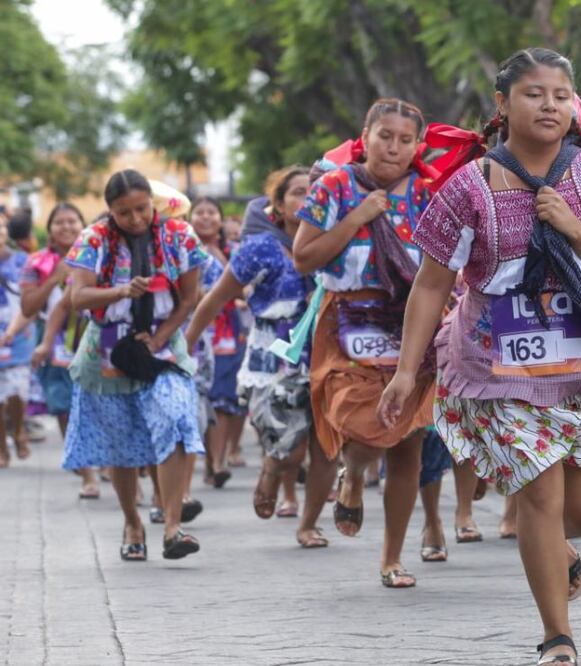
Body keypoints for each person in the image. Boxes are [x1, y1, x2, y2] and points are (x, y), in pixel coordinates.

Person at [378, 48, 581, 664]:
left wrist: (573, 229)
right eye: (534, 94)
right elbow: (431, 285)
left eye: (561, 95)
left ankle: (561, 546)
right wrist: (406, 370)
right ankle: (557, 638)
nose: (550, 106)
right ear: (503, 105)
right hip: (500, 364)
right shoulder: (468, 186)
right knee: (538, 496)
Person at [293, 98, 437, 587]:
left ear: (418, 145)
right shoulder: (333, 186)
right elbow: (305, 258)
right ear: (366, 135)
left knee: (409, 439)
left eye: (404, 139)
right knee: (362, 420)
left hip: (410, 323)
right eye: (385, 136)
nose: (393, 147)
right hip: (346, 322)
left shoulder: (428, 192)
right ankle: (352, 473)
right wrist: (356, 218)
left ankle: (392, 558)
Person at [62, 169, 206, 561]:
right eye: (124, 213)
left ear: (152, 203)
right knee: (120, 442)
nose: (136, 219)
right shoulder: (93, 240)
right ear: (110, 212)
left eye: (142, 209)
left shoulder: (178, 235)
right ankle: (132, 522)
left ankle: (173, 525)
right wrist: (122, 289)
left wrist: (159, 339)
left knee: (177, 416)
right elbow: (79, 297)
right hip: (107, 349)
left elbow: (189, 299)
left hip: (162, 343)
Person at [188, 167, 337, 547]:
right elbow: (216, 297)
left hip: (326, 351)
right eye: (298, 193)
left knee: (325, 446)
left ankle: (308, 524)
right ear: (279, 203)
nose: (307, 201)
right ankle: (273, 467)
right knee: (291, 446)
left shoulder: (337, 241)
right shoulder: (259, 247)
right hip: (273, 353)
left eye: (314, 193)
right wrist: (184, 343)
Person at [19, 204, 94, 498]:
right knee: (63, 404)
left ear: (82, 224)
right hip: (55, 341)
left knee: (97, 402)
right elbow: (27, 307)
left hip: (93, 336)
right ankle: (86, 472)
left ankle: (105, 462)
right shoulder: (36, 262)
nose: (66, 227)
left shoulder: (97, 253)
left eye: (72, 221)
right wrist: (53, 277)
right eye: (59, 222)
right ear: (49, 228)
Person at [189, 196, 247, 489]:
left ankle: (219, 460)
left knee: (225, 398)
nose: (206, 218)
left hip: (228, 331)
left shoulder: (234, 250)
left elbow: (243, 287)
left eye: (211, 212)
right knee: (203, 397)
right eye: (199, 213)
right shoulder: (184, 250)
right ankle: (209, 461)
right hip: (196, 331)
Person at [0, 218, 36, 468]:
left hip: (19, 335)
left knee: (17, 390)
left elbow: (32, 301)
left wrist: (14, 330)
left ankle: (19, 429)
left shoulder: (22, 261)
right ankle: (2, 447)